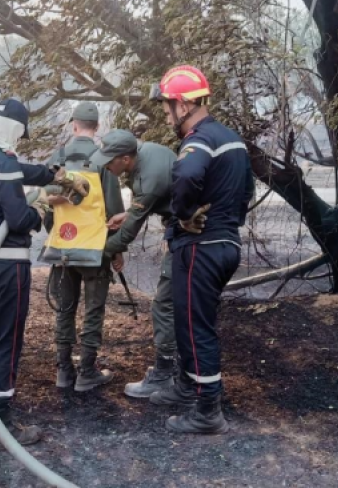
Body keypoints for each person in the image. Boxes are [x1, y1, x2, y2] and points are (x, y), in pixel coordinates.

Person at [0, 99, 89, 451]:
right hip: (7, 266)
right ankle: (0, 428)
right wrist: (44, 207)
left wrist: (52, 174)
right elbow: (17, 219)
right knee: (6, 342)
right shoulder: (4, 164)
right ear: (15, 130)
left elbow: (18, 171)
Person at [150, 65, 254, 434]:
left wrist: (182, 215)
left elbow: (187, 175)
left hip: (200, 248)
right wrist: (228, 220)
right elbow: (246, 192)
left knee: (196, 328)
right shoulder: (232, 139)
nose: (165, 114)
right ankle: (186, 385)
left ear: (183, 104)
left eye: (166, 106)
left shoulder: (198, 139)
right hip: (224, 243)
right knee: (191, 322)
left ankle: (208, 410)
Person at [89, 129, 179, 399]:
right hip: (190, 232)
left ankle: (165, 374)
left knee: (164, 304)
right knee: (181, 305)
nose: (106, 165)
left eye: (110, 160)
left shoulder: (148, 179)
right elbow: (147, 206)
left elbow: (128, 233)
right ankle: (182, 370)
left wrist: (96, 251)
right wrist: (126, 213)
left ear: (126, 159)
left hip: (189, 236)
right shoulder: (149, 151)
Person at [45, 103, 124, 391]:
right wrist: (117, 251)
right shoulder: (104, 159)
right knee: (93, 310)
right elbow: (115, 211)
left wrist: (55, 234)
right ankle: (87, 372)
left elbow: (47, 206)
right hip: (95, 249)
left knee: (64, 309)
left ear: (73, 125)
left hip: (63, 249)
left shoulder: (59, 157)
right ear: (97, 127)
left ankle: (64, 372)